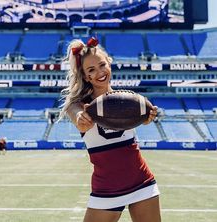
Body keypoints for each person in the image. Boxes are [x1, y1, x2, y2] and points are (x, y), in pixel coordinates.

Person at [60, 37, 161, 222]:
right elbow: (75, 114)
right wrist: (79, 118)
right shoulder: (79, 105)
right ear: (85, 76)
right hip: (106, 188)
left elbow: (142, 119)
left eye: (102, 65)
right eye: (91, 70)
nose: (99, 72)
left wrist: (147, 117)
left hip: (141, 182)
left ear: (109, 63)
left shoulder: (129, 101)